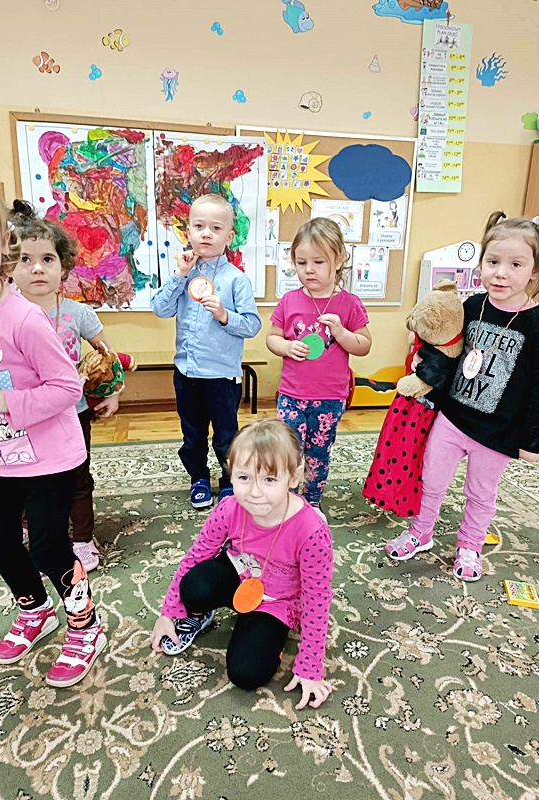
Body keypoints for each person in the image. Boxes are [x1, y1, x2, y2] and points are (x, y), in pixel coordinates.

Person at [385, 212, 539, 581]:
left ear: (535, 270)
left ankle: (470, 545)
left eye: (515, 265)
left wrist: (531, 439)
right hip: (453, 417)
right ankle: (421, 532)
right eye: (493, 262)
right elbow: (448, 347)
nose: (500, 273)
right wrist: (423, 360)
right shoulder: (471, 306)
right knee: (431, 479)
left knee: (480, 493)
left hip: (498, 431)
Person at [0, 182, 105, 686]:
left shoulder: (25, 319)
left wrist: (2, 402)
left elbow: (67, 387)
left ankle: (85, 625)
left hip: (48, 458)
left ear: (3, 244)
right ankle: (34, 609)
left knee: (50, 549)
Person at [150, 419, 333, 709]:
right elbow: (196, 556)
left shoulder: (312, 532)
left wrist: (310, 666)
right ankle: (199, 615)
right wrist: (169, 612)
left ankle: (270, 637)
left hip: (277, 600)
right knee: (194, 587)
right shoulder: (229, 508)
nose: (255, 492)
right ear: (231, 473)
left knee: (246, 673)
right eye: (244, 477)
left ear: (293, 477)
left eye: (269, 479)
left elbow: (317, 598)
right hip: (239, 574)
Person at [9, 200, 120, 572]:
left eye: (47, 259)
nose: (37, 268)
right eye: (25, 259)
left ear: (64, 266)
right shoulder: (1, 315)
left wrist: (112, 392)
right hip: (23, 415)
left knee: (77, 479)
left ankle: (83, 539)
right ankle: (28, 522)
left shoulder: (77, 313)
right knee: (25, 476)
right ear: (8, 266)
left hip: (72, 414)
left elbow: (108, 357)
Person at [151, 194, 261, 509]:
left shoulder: (236, 280)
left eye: (216, 228)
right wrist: (179, 276)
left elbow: (252, 325)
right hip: (186, 374)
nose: (206, 234)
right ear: (188, 232)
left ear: (229, 236)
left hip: (221, 377)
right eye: (199, 226)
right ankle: (198, 477)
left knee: (226, 437)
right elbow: (160, 309)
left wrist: (225, 315)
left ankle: (229, 481)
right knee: (192, 435)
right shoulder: (182, 273)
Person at [266, 218, 371, 512]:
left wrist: (341, 332)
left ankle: (311, 502)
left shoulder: (349, 303)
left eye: (318, 262)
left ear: (339, 260)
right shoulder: (289, 300)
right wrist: (286, 346)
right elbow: (272, 338)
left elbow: (364, 345)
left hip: (330, 398)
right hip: (292, 395)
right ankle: (288, 500)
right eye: (301, 263)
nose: (309, 270)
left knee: (319, 453)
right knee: (288, 452)